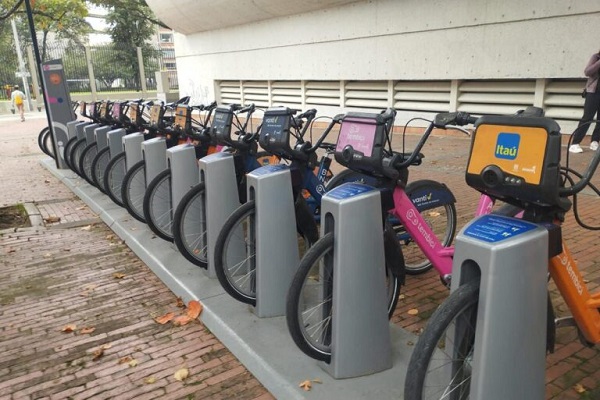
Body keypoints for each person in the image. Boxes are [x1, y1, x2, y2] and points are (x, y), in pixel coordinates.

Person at [569, 51, 600, 153]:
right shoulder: (596, 57)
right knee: (587, 117)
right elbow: (587, 72)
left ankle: (595, 141)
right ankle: (575, 143)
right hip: (593, 92)